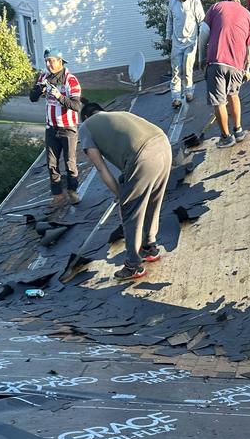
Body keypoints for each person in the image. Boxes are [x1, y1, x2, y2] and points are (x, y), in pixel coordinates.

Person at [78, 103, 173, 281]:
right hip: (163, 144)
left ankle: (133, 265)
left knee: (131, 212)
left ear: (85, 117)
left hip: (143, 156)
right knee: (154, 200)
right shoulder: (118, 115)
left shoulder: (86, 127)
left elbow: (101, 169)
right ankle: (149, 247)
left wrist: (120, 196)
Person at [198, 0, 250, 148]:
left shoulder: (217, 7)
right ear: (239, 2)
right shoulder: (248, 16)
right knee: (233, 95)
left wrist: (201, 58)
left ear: (225, 0)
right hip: (237, 65)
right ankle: (238, 131)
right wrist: (246, 69)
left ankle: (226, 137)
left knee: (219, 102)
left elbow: (203, 33)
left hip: (216, 62)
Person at [29, 49, 83, 208]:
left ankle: (72, 191)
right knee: (51, 163)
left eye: (51, 61)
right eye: (46, 61)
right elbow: (32, 98)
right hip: (51, 127)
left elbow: (76, 106)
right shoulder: (44, 76)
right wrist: (40, 90)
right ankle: (58, 195)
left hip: (68, 128)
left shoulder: (70, 80)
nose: (48, 64)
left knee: (70, 162)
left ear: (60, 61)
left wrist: (59, 96)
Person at [166, 0, 205, 108]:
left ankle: (188, 91)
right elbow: (170, 20)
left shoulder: (194, 2)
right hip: (177, 42)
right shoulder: (173, 2)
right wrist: (168, 36)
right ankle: (176, 97)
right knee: (176, 70)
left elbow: (201, 23)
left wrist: (202, 40)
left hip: (190, 41)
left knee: (187, 68)